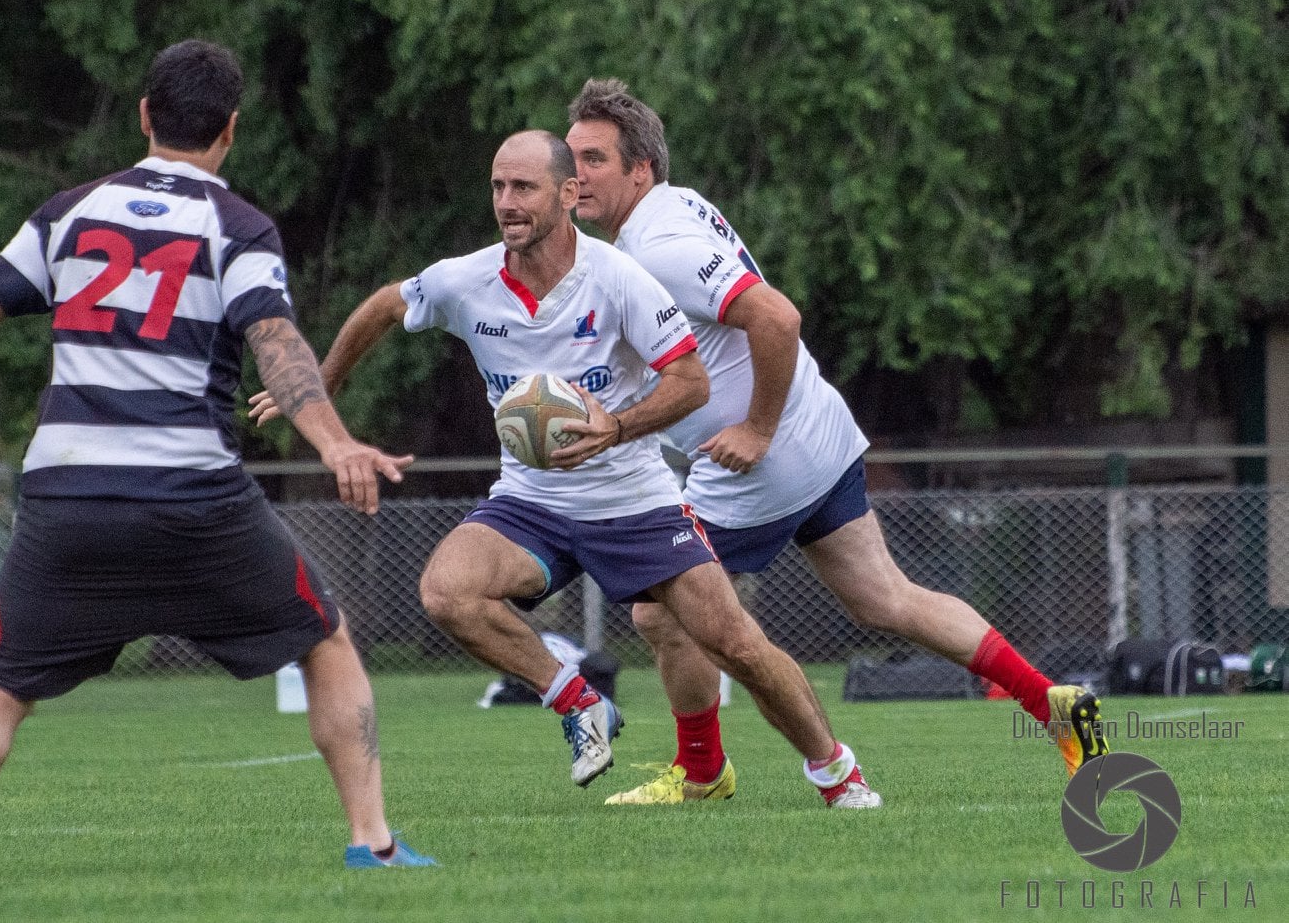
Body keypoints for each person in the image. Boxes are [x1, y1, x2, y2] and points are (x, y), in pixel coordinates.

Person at [0, 40, 435, 876]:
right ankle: (373, 843)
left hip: (68, 498)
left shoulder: (68, 213)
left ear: (144, 115)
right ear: (231, 130)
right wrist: (335, 441)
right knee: (325, 639)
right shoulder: (240, 226)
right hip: (193, 500)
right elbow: (276, 342)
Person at [252, 130, 882, 807]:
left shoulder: (617, 277)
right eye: (497, 187)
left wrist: (615, 426)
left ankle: (836, 770)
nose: (506, 202)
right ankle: (579, 702)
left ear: (568, 193)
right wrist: (322, 383)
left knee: (735, 642)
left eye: (522, 187)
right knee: (447, 590)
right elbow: (385, 306)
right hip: (532, 503)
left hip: (634, 500)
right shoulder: (467, 280)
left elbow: (691, 381)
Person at [563, 78, 1110, 806]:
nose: (577, 176)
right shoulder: (676, 207)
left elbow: (776, 317)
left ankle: (705, 772)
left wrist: (755, 427)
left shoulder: (656, 245)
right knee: (888, 597)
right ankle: (1054, 704)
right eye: (571, 159)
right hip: (819, 427)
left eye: (595, 159)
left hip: (764, 458)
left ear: (641, 169)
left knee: (660, 609)